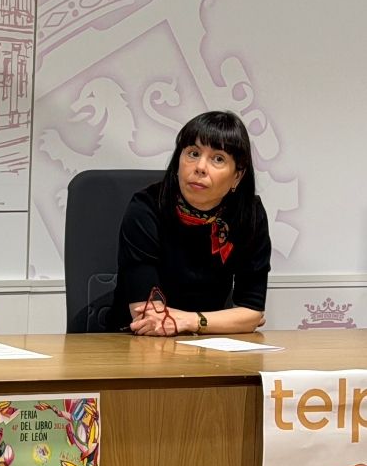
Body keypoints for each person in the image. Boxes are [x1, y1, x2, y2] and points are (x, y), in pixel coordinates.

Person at [110, 110, 270, 335]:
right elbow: (149, 316)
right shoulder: (146, 208)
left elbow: (251, 313)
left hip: (207, 345)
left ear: (237, 176)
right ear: (178, 162)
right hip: (135, 343)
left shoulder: (249, 215)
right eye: (193, 153)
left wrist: (191, 321)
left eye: (218, 158)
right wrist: (222, 320)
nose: (200, 167)